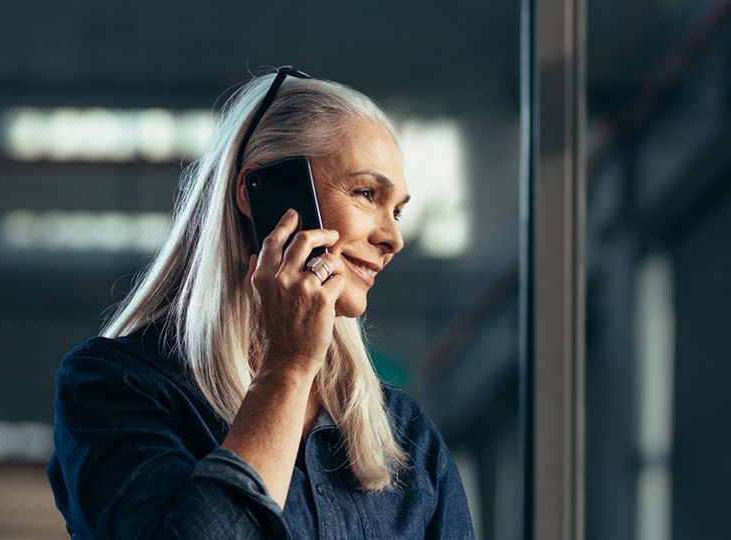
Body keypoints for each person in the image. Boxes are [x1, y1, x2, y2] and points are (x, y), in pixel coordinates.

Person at [47, 67, 475, 539]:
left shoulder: (406, 435)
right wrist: (287, 369)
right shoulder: (116, 388)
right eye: (365, 193)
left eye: (397, 210)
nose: (393, 237)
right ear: (263, 194)